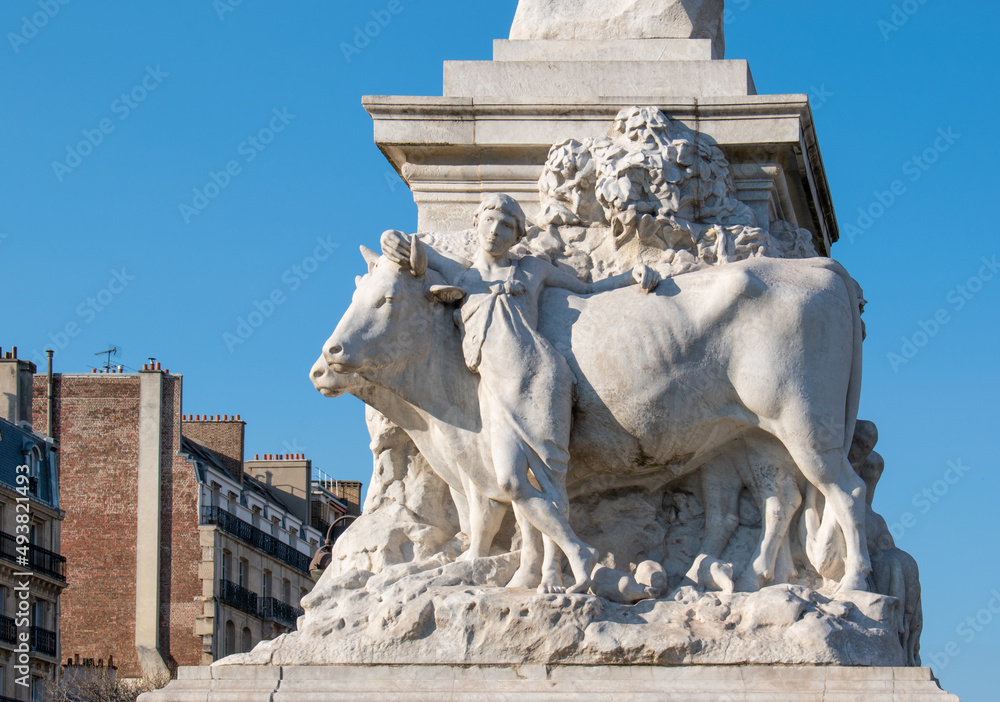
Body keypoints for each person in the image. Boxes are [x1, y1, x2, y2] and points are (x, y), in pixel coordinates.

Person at [381, 193, 658, 593]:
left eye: (506, 225)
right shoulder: (461, 276)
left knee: (550, 481)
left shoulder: (531, 270)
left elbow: (588, 289)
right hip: (494, 391)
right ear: (476, 223)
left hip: (540, 381)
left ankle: (552, 569)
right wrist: (392, 236)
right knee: (510, 481)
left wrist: (629, 277)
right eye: (490, 221)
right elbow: (412, 251)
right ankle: (577, 550)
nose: (495, 231)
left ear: (516, 235)